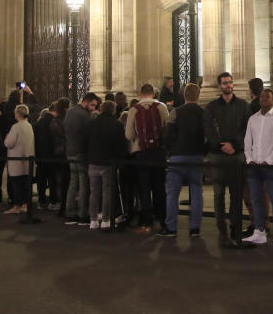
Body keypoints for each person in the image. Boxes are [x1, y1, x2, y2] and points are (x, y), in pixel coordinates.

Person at [203, 72, 250, 246]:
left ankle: (235, 227)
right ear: (219, 86)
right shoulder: (212, 107)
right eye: (225, 83)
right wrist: (222, 145)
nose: (228, 85)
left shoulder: (243, 106)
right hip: (218, 156)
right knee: (218, 194)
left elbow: (246, 128)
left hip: (236, 156)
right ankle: (221, 229)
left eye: (230, 83)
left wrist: (234, 145)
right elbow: (208, 129)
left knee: (236, 194)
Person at [159, 82, 208, 237]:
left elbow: (167, 135)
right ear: (198, 96)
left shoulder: (176, 112)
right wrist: (203, 152)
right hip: (197, 156)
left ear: (184, 95)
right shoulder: (204, 113)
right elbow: (209, 136)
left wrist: (170, 150)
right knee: (196, 191)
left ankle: (171, 227)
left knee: (173, 193)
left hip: (177, 156)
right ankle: (195, 228)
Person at [242, 89, 273, 246]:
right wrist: (249, 159)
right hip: (254, 165)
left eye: (267, 97)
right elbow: (248, 141)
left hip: (271, 166)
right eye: (262, 96)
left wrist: (269, 160)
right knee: (255, 199)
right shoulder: (253, 119)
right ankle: (259, 231)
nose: (263, 99)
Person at [125, 84, 169, 234]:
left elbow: (129, 135)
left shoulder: (133, 109)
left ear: (140, 93)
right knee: (159, 186)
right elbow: (167, 128)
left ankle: (146, 220)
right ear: (153, 93)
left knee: (144, 187)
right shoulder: (161, 107)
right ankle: (161, 218)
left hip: (141, 152)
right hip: (158, 152)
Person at [80, 100, 127, 230]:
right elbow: (121, 146)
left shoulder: (91, 124)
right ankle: (106, 219)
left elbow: (84, 142)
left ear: (101, 109)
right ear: (113, 110)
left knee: (94, 193)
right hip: (108, 163)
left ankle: (93, 220)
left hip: (93, 162)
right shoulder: (116, 125)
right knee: (107, 193)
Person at [63, 93, 100, 226]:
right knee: (84, 184)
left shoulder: (70, 112)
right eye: (92, 105)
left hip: (70, 151)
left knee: (73, 183)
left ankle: (70, 213)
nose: (93, 108)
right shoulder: (85, 115)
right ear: (85, 102)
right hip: (81, 153)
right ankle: (82, 214)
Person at [3, 104, 34, 214]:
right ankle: (25, 205)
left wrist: (6, 138)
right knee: (25, 184)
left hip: (16, 161)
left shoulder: (15, 127)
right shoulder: (29, 126)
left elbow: (9, 143)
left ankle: (16, 206)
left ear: (17, 114)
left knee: (16, 185)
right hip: (26, 160)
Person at [34, 104, 58, 210]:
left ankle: (41, 200)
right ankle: (53, 201)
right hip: (51, 155)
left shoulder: (39, 122)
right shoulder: (54, 121)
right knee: (52, 180)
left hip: (40, 155)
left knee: (41, 180)